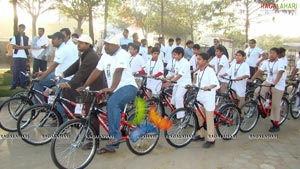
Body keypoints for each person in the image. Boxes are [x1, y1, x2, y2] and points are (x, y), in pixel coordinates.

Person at [77, 35, 138, 154]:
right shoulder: (105, 56)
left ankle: (115, 137)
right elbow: (97, 71)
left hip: (128, 87)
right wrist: (85, 85)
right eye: (105, 44)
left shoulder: (123, 54)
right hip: (114, 89)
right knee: (103, 110)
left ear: (116, 45)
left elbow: (118, 71)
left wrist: (112, 87)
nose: (105, 47)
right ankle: (112, 144)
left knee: (112, 104)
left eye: (108, 44)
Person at [59, 34, 106, 122]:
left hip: (94, 87)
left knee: (90, 113)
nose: (78, 44)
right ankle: (76, 120)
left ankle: (90, 131)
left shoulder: (91, 56)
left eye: (81, 43)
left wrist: (69, 84)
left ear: (88, 44)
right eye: (78, 42)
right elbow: (75, 67)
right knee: (69, 94)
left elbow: (82, 73)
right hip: (87, 85)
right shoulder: (85, 54)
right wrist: (62, 75)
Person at [34, 32, 77, 112]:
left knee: (59, 100)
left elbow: (53, 66)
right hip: (57, 74)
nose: (52, 41)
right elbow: (53, 67)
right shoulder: (59, 49)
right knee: (38, 84)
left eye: (54, 39)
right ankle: (41, 106)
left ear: (60, 40)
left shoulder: (64, 49)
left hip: (65, 78)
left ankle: (63, 120)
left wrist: (41, 77)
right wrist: (43, 73)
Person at [249, 47, 286, 132]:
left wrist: (275, 83)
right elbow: (259, 71)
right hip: (268, 82)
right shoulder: (266, 62)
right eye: (270, 52)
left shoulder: (280, 63)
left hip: (278, 85)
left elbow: (280, 73)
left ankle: (276, 125)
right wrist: (252, 79)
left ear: (277, 54)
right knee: (257, 91)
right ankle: (262, 106)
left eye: (273, 53)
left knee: (275, 106)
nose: (271, 54)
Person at [193, 52, 220, 148]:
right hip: (200, 96)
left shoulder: (209, 70)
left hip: (208, 96)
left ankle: (211, 139)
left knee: (209, 118)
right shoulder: (199, 71)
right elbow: (197, 84)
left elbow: (215, 83)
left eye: (199, 59)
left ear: (205, 61)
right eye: (197, 59)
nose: (197, 61)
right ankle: (201, 135)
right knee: (199, 115)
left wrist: (208, 87)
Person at [167, 47, 191, 118]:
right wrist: (166, 78)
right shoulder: (176, 62)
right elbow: (174, 73)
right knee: (173, 99)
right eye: (173, 55)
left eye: (175, 55)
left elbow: (180, 75)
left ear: (180, 54)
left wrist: (171, 81)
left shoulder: (186, 63)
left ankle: (181, 117)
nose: (174, 57)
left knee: (178, 97)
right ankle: (176, 113)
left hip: (184, 84)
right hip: (177, 83)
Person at [10, 24, 31, 90]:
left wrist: (19, 47)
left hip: (23, 56)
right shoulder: (15, 37)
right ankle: (14, 84)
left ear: (24, 29)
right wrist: (22, 47)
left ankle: (23, 84)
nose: (20, 30)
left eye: (22, 28)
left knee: (23, 70)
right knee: (16, 70)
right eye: (19, 28)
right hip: (16, 55)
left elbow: (29, 46)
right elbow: (13, 46)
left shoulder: (27, 38)